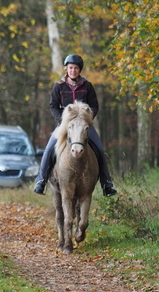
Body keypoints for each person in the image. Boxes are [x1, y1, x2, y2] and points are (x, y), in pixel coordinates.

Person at [33, 54, 117, 197]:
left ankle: (106, 183)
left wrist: (87, 118)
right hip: (64, 125)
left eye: (76, 68)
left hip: (84, 126)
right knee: (49, 149)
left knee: (100, 149)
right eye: (71, 68)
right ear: (67, 69)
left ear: (79, 70)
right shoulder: (58, 86)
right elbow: (53, 106)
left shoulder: (87, 86)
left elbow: (94, 105)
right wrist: (63, 120)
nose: (73, 71)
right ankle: (41, 180)